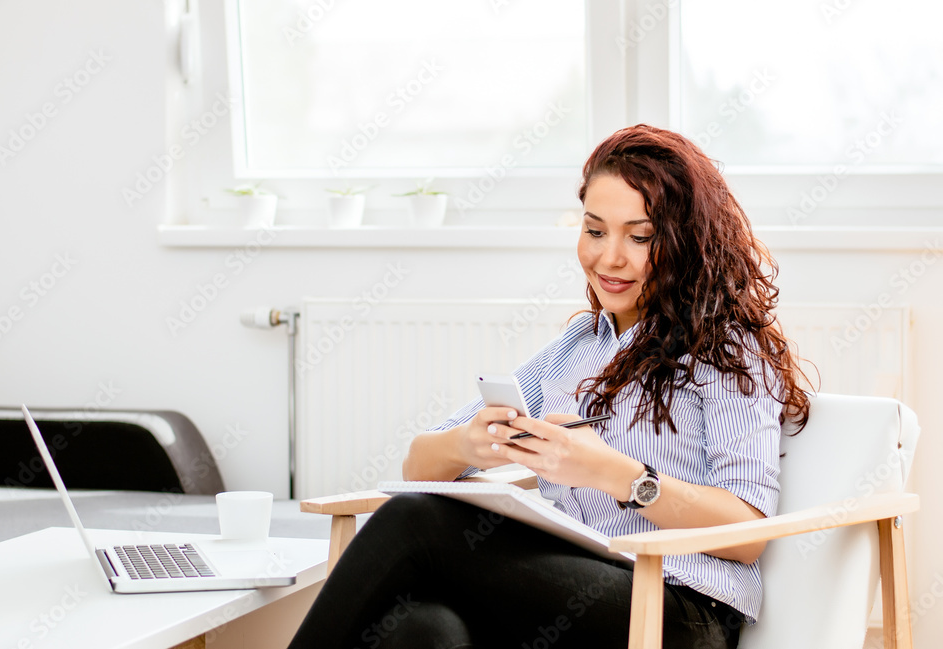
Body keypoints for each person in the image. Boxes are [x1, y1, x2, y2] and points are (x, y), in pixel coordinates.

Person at [287, 124, 812, 649]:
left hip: (677, 609)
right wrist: (468, 443)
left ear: (685, 240)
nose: (610, 257)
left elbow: (748, 532)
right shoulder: (577, 345)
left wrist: (612, 472)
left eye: (640, 236)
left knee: (412, 523)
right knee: (422, 629)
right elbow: (417, 465)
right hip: (579, 584)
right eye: (595, 230)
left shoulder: (724, 346)